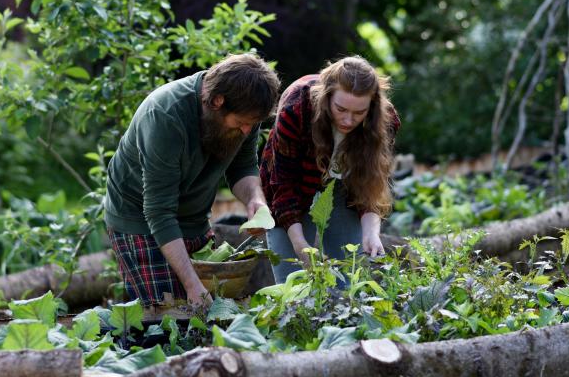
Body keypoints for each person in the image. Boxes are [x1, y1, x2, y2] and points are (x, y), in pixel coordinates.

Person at [104, 53, 281, 307]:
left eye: (251, 124)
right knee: (166, 317)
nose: (246, 130)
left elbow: (243, 167)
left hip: (194, 218)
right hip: (139, 220)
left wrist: (256, 200)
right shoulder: (165, 116)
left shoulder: (245, 113)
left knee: (204, 318)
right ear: (217, 101)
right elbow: (159, 211)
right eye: (242, 123)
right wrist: (191, 284)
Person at [259, 56, 400, 283]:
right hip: (293, 183)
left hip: (344, 185)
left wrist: (372, 233)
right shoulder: (296, 109)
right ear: (327, 98)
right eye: (340, 109)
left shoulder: (385, 121)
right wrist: (300, 244)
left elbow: (371, 183)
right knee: (291, 284)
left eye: (359, 113)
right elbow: (282, 185)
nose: (348, 120)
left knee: (347, 278)